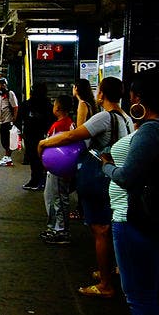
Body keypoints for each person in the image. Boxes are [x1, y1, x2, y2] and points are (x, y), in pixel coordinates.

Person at [38, 77, 132, 298]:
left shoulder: (104, 116)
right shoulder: (126, 117)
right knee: (111, 227)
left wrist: (44, 143)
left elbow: (73, 135)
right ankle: (111, 270)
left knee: (100, 231)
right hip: (115, 178)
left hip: (99, 177)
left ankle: (105, 285)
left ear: (102, 94)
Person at [101, 70, 159, 314]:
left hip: (141, 222)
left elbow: (127, 177)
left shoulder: (150, 131)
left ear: (140, 98)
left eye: (132, 96)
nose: (130, 100)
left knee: (140, 297)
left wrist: (107, 166)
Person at [39, 95, 75, 244]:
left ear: (58, 108)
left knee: (57, 198)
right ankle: (55, 228)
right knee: (54, 196)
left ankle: (61, 231)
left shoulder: (59, 126)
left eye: (54, 105)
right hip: (63, 165)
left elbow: (49, 145)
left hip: (57, 167)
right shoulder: (70, 123)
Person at [70, 79, 99, 220]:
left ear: (77, 88)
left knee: (80, 177)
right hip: (91, 144)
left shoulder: (82, 104)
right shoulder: (91, 104)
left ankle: (81, 210)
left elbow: (80, 128)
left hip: (83, 145)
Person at [19, 82, 54, 190]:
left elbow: (20, 118)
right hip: (45, 137)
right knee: (43, 159)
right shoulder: (49, 105)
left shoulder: (27, 105)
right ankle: (43, 181)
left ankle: (35, 180)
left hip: (30, 136)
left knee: (34, 160)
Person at [0, 78, 19, 167]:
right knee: (4, 141)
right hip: (2, 121)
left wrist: (14, 119)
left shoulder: (10, 93)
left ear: (4, 85)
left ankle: (8, 158)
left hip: (8, 121)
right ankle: (7, 158)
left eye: (0, 84)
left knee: (8, 141)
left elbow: (15, 107)